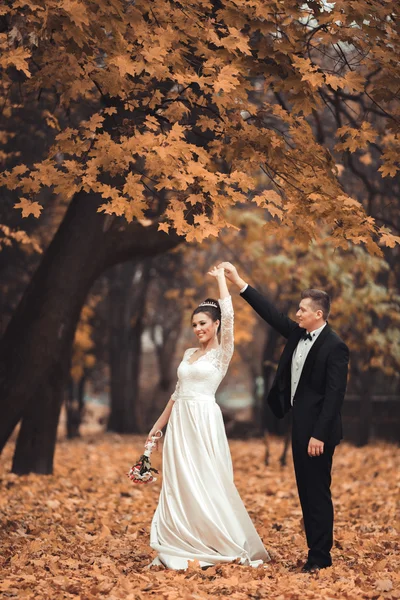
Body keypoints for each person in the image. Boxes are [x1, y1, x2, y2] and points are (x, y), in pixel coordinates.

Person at [217, 262, 349, 573]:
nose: (298, 314)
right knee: (306, 490)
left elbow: (334, 396)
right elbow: (270, 313)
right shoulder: (297, 334)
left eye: (303, 310)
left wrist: (319, 434)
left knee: (317, 492)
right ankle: (313, 553)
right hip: (299, 427)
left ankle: (320, 558)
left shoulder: (336, 347)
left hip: (319, 433)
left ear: (318, 314)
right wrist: (239, 283)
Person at [147, 266, 270, 570]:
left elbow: (229, 317)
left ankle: (218, 538)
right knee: (180, 482)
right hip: (180, 426)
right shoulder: (189, 354)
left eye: (202, 323)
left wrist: (220, 281)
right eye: (194, 324)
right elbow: (177, 393)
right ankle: (180, 539)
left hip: (204, 421)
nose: (198, 329)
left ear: (215, 325)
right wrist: (156, 427)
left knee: (207, 479)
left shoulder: (222, 353)